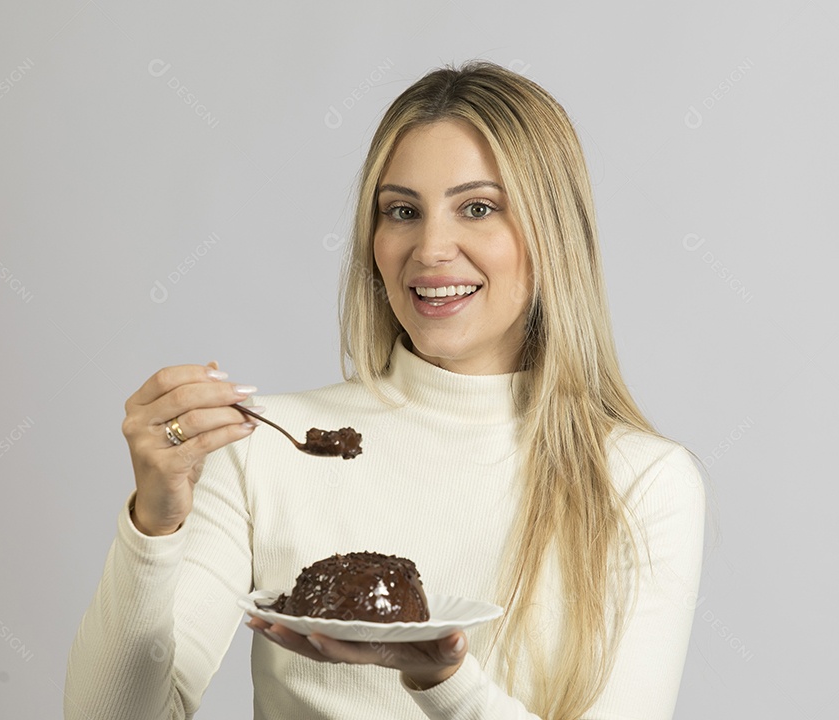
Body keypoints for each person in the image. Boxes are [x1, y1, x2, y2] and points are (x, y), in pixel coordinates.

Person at [65, 59, 708, 720]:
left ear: (555, 236)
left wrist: (444, 680)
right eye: (402, 211)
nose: (430, 248)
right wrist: (155, 523)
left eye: (478, 208)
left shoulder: (641, 482)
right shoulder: (261, 447)